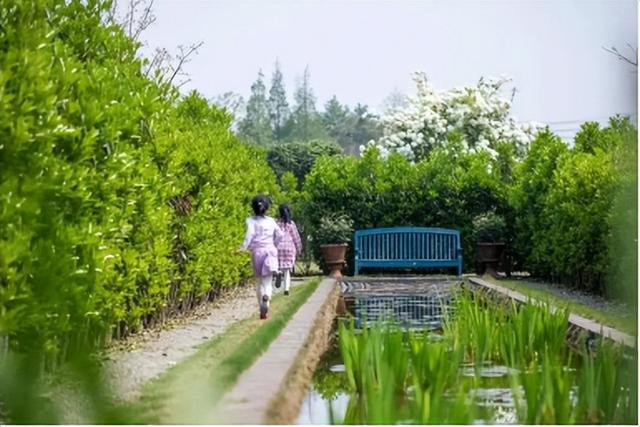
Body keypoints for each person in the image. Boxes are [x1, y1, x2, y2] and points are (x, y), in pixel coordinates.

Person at [239, 195, 283, 319]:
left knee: (258, 282)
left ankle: (261, 308)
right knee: (267, 282)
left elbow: (250, 235)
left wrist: (243, 248)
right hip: (271, 252)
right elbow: (280, 234)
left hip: (257, 252)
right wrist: (274, 244)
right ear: (267, 208)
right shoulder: (271, 221)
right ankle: (267, 299)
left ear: (253, 208)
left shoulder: (250, 220)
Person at [275, 204, 302, 296]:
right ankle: (286, 289)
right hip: (289, 248)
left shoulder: (276, 223)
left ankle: (278, 273)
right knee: (287, 271)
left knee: (279, 266)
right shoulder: (291, 224)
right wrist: (299, 249)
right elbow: (296, 238)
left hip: (278, 248)